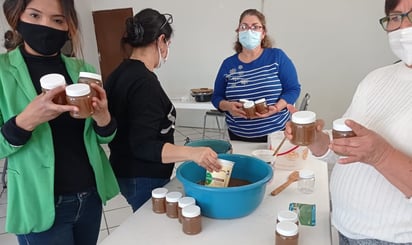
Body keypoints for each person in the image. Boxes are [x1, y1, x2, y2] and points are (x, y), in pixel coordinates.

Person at [284, 0, 412, 243]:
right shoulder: (376, 79)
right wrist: (316, 139)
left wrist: (382, 156)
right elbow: (345, 147)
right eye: (395, 17)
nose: (404, 26)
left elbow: (374, 152)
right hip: (345, 227)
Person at [0, 0, 119, 244]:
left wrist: (103, 117)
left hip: (89, 197)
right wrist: (24, 122)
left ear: (69, 26)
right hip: (40, 202)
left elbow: (104, 137)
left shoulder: (82, 70)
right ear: (16, 17)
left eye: (57, 20)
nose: (46, 26)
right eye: (34, 15)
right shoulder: (3, 73)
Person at [105, 8, 221, 212]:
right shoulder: (144, 83)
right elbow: (143, 145)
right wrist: (193, 153)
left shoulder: (118, 73)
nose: (167, 50)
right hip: (143, 176)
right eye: (167, 44)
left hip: (122, 168)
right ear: (160, 41)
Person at [211, 9, 301, 143]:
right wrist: (228, 106)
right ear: (238, 32)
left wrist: (276, 108)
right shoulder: (228, 64)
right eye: (244, 26)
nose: (249, 31)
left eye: (255, 27)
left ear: (263, 33)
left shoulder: (277, 57)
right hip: (238, 137)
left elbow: (293, 89)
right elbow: (216, 97)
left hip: (276, 135)